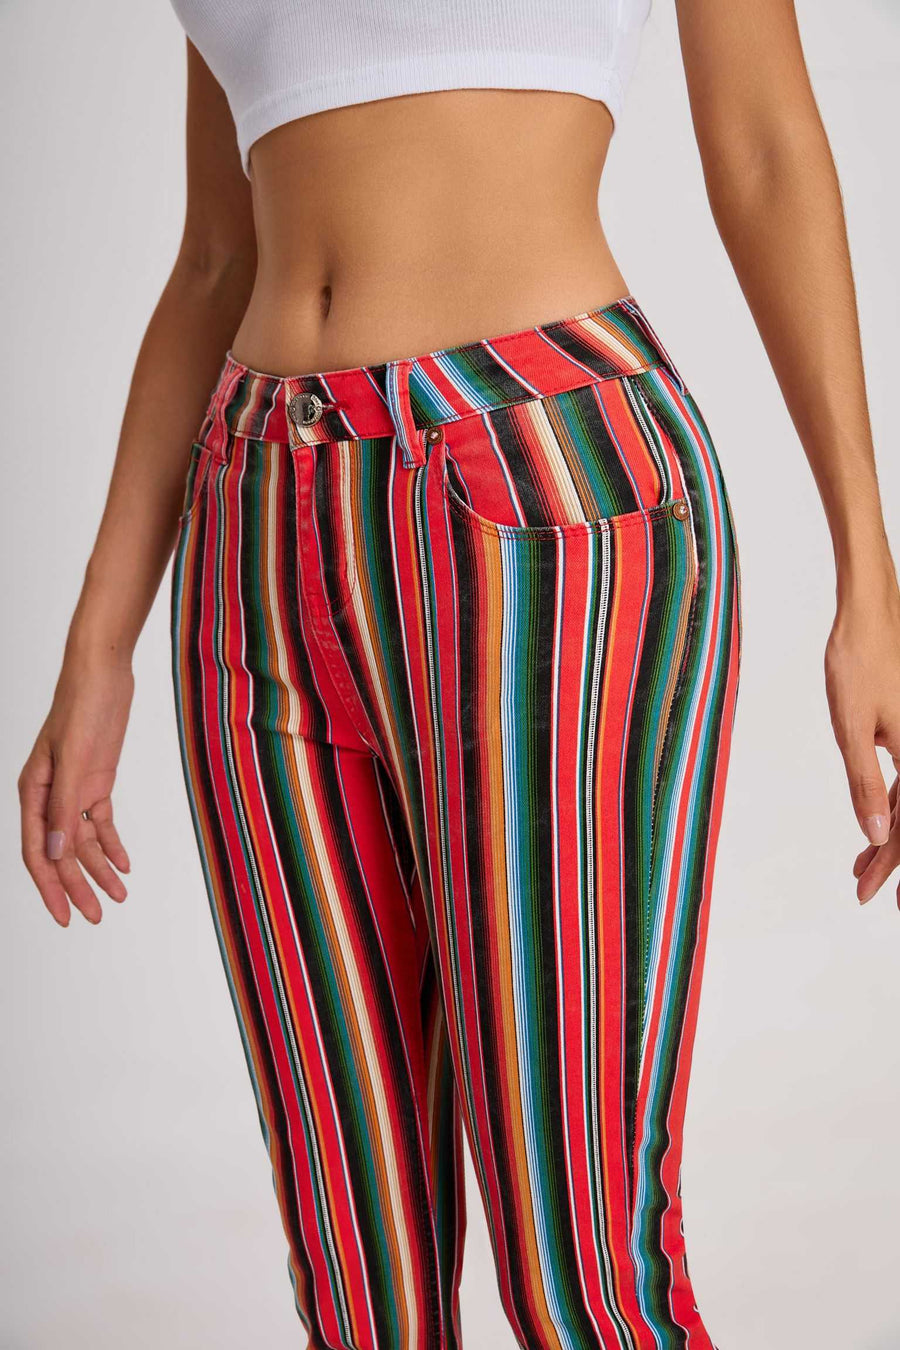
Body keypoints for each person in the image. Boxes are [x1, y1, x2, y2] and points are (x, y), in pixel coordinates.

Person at [17, 1, 900, 1346]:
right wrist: (98, 645)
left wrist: (868, 577)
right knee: (357, 1281)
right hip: (254, 522)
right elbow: (215, 255)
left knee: (581, 1269)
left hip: (544, 493)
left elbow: (768, 146)